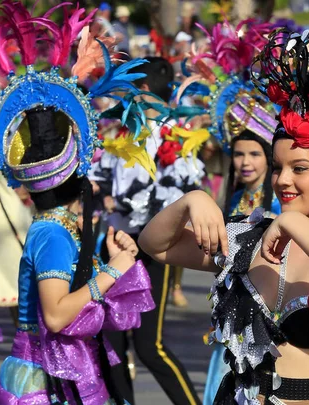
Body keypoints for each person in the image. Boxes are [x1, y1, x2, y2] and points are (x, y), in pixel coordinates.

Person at [140, 29, 309, 404]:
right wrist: (191, 201)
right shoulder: (248, 238)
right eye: (277, 167)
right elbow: (155, 245)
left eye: (300, 168)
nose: (283, 180)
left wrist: (292, 222)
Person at [0, 2, 158, 402]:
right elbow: (59, 316)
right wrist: (113, 270)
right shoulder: (53, 232)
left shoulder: (58, 226)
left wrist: (107, 261)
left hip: (57, 371)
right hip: (45, 381)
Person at [96, 56, 204, 405]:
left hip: (152, 250)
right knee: (111, 343)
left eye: (130, 88)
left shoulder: (178, 139)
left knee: (149, 346)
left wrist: (125, 204)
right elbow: (102, 180)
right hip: (113, 246)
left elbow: (182, 196)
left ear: (142, 90)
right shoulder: (120, 134)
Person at [203, 93, 281, 405]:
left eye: (254, 154)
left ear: (268, 157)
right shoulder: (234, 202)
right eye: (238, 154)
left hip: (267, 321)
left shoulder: (278, 207)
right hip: (232, 320)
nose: (245, 162)